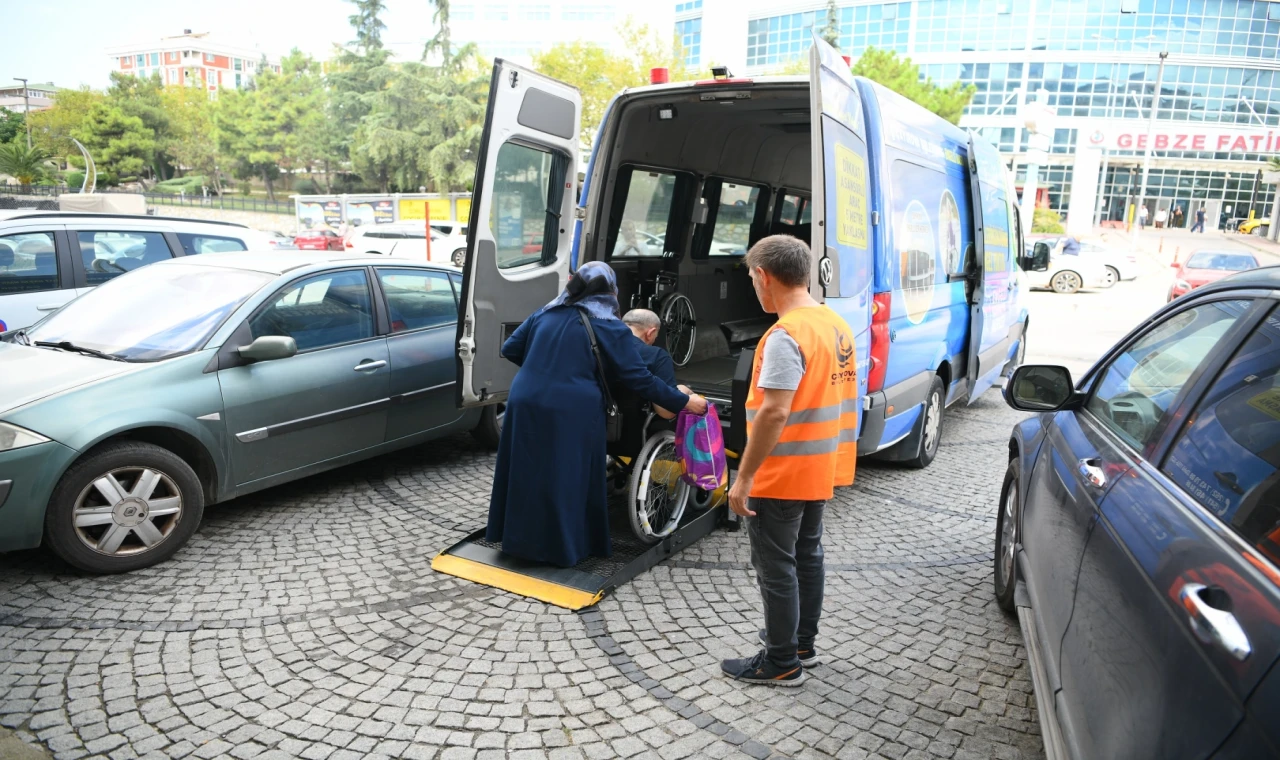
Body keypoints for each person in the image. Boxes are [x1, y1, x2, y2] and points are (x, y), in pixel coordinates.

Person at [486, 262, 708, 568]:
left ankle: (517, 540)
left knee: (526, 470)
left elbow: (512, 348)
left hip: (525, 398)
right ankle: (558, 549)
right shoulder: (608, 325)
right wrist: (684, 403)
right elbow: (640, 379)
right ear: (609, 291)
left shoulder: (546, 312)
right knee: (566, 475)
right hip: (572, 407)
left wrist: (547, 365)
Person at [720, 235, 858, 687]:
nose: (754, 288)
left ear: (764, 276)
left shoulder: (785, 336)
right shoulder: (833, 324)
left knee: (776, 566)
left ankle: (781, 662)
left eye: (751, 279)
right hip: (819, 466)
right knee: (807, 556)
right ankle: (801, 643)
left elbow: (775, 410)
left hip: (782, 473)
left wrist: (744, 478)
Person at [620, 308, 681, 420]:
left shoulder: (599, 346)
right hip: (632, 428)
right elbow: (667, 411)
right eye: (655, 336)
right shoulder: (656, 355)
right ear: (650, 333)